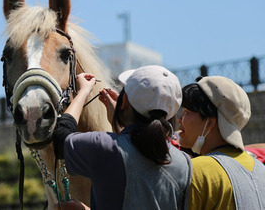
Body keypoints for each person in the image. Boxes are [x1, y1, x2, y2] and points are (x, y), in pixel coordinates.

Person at [53, 65, 192, 210]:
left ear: (124, 101)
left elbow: (60, 138)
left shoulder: (104, 147)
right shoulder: (184, 163)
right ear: (172, 114)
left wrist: (83, 91)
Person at [177, 76, 265, 209]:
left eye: (186, 111)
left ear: (210, 122)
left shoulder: (194, 172)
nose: (179, 119)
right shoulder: (260, 169)